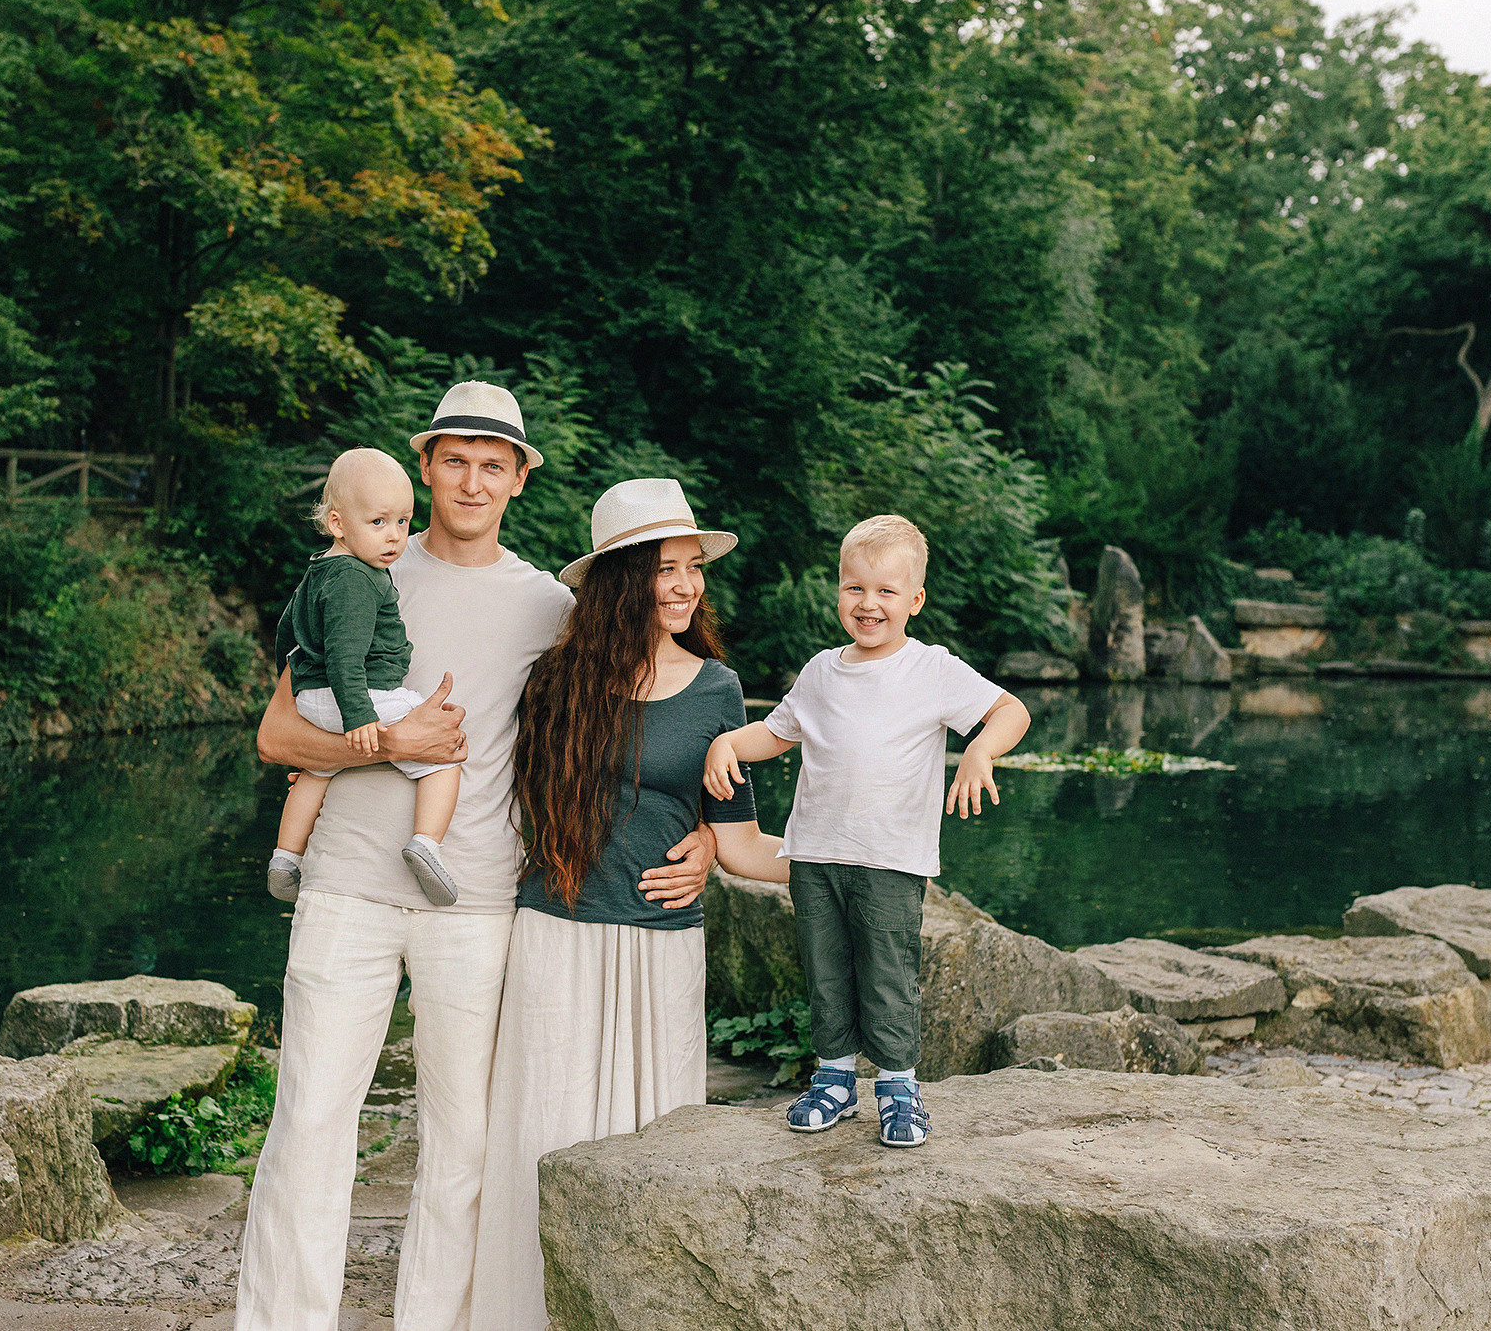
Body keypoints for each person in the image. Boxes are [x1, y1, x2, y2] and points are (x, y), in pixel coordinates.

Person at [235, 385, 716, 1331]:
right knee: (309, 1128)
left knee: (460, 1148)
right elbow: (279, 736)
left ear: (520, 478)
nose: (472, 480)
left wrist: (702, 829)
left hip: (481, 903)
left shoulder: (548, 606)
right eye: (454, 459)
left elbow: (633, 722)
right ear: (425, 467)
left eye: (493, 464)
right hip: (346, 891)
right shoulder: (360, 568)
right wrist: (386, 740)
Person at [471, 478, 791, 1331]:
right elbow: (484, 794)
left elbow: (747, 838)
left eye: (693, 568)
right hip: (558, 934)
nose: (686, 585)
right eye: (666, 569)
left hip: (662, 946)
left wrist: (844, 857)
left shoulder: (720, 690)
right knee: (545, 1135)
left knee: (658, 1144)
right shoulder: (553, 682)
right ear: (620, 580)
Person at [704, 513, 1030, 1147]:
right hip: (815, 856)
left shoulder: (932, 669)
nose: (869, 604)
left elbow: (1009, 711)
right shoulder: (823, 671)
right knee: (825, 970)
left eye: (886, 591)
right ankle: (833, 1079)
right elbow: (775, 732)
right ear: (839, 593)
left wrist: (982, 752)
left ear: (915, 600)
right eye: (856, 588)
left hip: (890, 859)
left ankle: (899, 1086)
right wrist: (726, 744)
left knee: (886, 972)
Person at [266, 446, 461, 907]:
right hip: (357, 694)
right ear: (338, 524)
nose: (394, 537)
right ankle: (426, 845)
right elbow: (346, 659)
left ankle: (284, 859)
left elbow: (285, 633)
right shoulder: (356, 579)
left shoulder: (320, 570)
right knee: (443, 751)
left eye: (402, 522)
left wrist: (295, 686)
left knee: (317, 770)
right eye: (378, 523)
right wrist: (359, 718)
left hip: (314, 694)